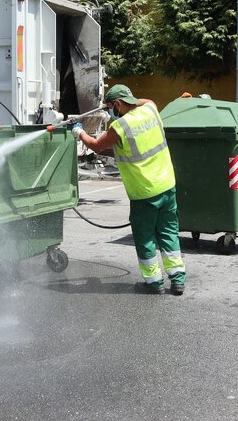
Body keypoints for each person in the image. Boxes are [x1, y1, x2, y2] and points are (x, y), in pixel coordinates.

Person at [72, 85, 186, 295]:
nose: (111, 112)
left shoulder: (121, 126)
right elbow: (143, 101)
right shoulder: (151, 108)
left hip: (144, 193)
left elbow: (97, 146)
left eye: (112, 107)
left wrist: (78, 132)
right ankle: (178, 279)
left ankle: (154, 283)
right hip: (167, 185)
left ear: (117, 104)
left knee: (145, 238)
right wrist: (124, 102)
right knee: (169, 232)